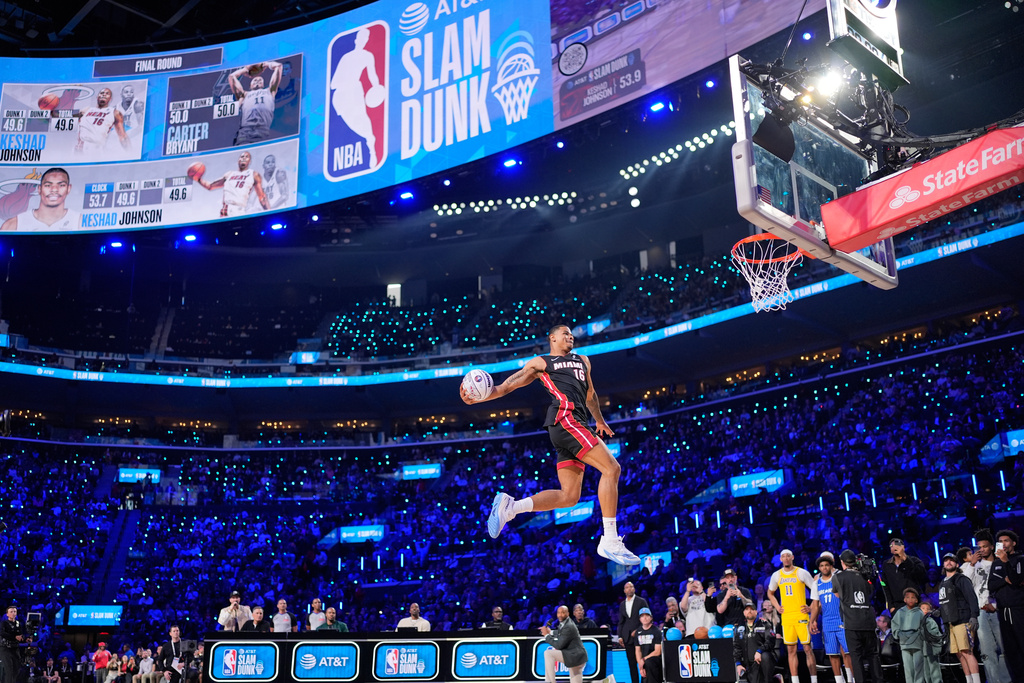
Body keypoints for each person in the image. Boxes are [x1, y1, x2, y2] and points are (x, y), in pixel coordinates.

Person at [465, 324, 640, 566]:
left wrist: (599, 419)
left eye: (571, 334)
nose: (570, 336)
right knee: (612, 469)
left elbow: (590, 395)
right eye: (565, 333)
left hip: (576, 424)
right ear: (552, 337)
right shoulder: (541, 362)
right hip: (566, 420)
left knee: (569, 497)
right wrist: (480, 395)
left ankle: (511, 507)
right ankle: (609, 539)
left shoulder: (583, 361)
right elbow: (506, 386)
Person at [329, 27, 382, 167]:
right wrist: (343, 82)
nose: (363, 41)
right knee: (351, 123)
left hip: (355, 91)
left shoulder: (367, 56)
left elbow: (372, 75)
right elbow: (333, 83)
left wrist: (376, 87)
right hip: (341, 95)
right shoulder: (346, 57)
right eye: (361, 37)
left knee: (364, 119)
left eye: (366, 38)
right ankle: (368, 139)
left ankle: (372, 150)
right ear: (356, 39)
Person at [962, 531, 1010, 683]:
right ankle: (993, 680)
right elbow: (964, 584)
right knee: (986, 651)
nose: (981, 549)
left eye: (984, 546)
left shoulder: (1000, 562)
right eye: (979, 547)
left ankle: (1005, 679)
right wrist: (971, 564)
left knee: (1004, 648)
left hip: (998, 610)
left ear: (991, 547)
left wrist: (995, 605)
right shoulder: (972, 565)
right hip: (980, 612)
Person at [767, 549, 819, 683]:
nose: (786, 558)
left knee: (807, 648)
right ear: (780, 559)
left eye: (788, 556)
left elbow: (815, 589)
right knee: (791, 650)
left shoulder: (801, 572)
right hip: (787, 616)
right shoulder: (776, 575)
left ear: (792, 557)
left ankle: (814, 680)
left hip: (801, 615)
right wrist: (777, 607)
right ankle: (795, 680)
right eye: (783, 556)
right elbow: (770, 593)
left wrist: (811, 606)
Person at [833, 550, 883, 683]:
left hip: (852, 623)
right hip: (868, 621)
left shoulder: (838, 577)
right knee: (873, 655)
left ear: (842, 562)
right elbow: (871, 593)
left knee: (856, 657)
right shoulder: (865, 575)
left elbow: (837, 595)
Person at [938, 552, 981, 683]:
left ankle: (976, 681)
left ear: (957, 564)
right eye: (946, 560)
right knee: (959, 654)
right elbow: (947, 602)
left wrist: (974, 616)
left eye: (952, 560)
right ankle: (969, 680)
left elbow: (972, 598)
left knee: (967, 652)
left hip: (963, 620)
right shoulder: (942, 583)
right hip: (950, 623)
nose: (949, 562)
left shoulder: (961, 579)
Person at [813, 554, 854, 683]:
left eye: (826, 565)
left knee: (847, 653)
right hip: (827, 622)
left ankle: (851, 679)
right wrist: (812, 621)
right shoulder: (817, 583)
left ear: (831, 566)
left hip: (842, 620)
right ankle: (839, 680)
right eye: (821, 565)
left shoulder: (839, 578)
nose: (824, 567)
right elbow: (815, 605)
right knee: (832, 654)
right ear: (819, 568)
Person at [989, 529, 1023, 683]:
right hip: (1002, 610)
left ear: (1013, 543)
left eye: (1006, 541)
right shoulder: (995, 563)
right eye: (1000, 541)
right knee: (1010, 649)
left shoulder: (1020, 559)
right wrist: (1004, 580)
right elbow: (991, 585)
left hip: (1018, 609)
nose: (1003, 544)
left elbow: (1016, 580)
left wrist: (1006, 563)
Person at [0, 168, 80, 232]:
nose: (54, 190)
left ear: (69, 188)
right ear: (39, 189)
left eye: (61, 185)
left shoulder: (79, 222)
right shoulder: (13, 225)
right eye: (48, 185)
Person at [195, 152, 270, 217]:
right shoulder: (229, 174)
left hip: (239, 209)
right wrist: (198, 178)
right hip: (225, 209)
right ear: (238, 160)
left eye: (247, 157)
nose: (244, 158)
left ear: (249, 161)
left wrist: (269, 213)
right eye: (242, 156)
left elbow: (262, 196)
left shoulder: (253, 174)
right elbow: (210, 186)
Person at [890, 587, 939, 683]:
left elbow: (925, 626)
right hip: (904, 644)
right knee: (908, 668)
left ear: (916, 600)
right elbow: (894, 624)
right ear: (904, 599)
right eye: (908, 597)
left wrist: (921, 634)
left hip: (917, 643)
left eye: (913, 597)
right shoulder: (900, 612)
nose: (910, 599)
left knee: (918, 668)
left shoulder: (919, 613)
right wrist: (899, 634)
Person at [229, 61, 283, 146]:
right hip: (245, 132)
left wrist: (265, 64)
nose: (257, 80)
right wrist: (245, 69)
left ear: (263, 84)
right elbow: (232, 77)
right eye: (254, 80)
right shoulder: (244, 95)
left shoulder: (270, 91)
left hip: (263, 131)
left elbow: (278, 66)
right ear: (250, 86)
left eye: (260, 80)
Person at [73, 87, 130, 155]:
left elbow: (122, 136)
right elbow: (66, 115)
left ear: (110, 98)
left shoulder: (115, 112)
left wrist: (130, 153)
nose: (104, 95)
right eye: (102, 93)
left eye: (107, 93)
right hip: (80, 148)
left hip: (97, 149)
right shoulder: (86, 110)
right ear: (97, 97)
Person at [540, 605, 587, 683]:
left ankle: (551, 681)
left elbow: (559, 645)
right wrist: (550, 632)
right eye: (559, 613)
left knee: (548, 653)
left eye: (563, 612)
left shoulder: (568, 626)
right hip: (578, 658)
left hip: (574, 657)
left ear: (568, 614)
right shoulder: (566, 622)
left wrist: (546, 635)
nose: (560, 615)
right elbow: (561, 632)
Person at [881, 538, 927, 614]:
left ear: (903, 548)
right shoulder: (887, 565)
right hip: (896, 606)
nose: (895, 547)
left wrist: (905, 559)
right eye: (892, 545)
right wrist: (891, 606)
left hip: (914, 604)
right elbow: (885, 585)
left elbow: (921, 575)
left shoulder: (915, 561)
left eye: (898, 545)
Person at [734, 603, 777, 683]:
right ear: (744, 613)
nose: (749, 611)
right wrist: (738, 664)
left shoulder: (765, 624)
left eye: (752, 609)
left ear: (756, 612)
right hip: (750, 664)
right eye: (747, 609)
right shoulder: (740, 628)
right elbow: (737, 647)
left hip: (765, 661)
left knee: (765, 656)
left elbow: (770, 641)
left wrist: (759, 651)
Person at [617, 582, 649, 683]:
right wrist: (620, 636)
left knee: (644, 661)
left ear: (634, 589)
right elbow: (621, 622)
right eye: (627, 587)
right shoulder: (622, 604)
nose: (629, 589)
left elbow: (647, 617)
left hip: (641, 637)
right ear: (624, 591)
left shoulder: (641, 601)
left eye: (631, 587)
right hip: (627, 638)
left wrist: (639, 630)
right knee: (631, 663)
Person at [634, 607, 663, 683]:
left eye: (647, 615)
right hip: (644, 661)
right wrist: (640, 664)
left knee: (649, 662)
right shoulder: (638, 632)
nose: (645, 618)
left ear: (651, 618)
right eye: (642, 616)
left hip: (655, 661)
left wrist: (643, 660)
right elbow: (638, 650)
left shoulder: (656, 631)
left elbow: (657, 651)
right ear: (640, 619)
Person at [0, 607, 23, 683]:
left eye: (14, 611)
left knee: (16, 669)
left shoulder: (18, 623)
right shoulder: (4, 623)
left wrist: (25, 638)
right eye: (11, 611)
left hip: (15, 648)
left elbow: (21, 634)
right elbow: (2, 633)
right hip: (5, 648)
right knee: (9, 670)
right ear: (7, 614)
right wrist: (14, 637)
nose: (13, 613)